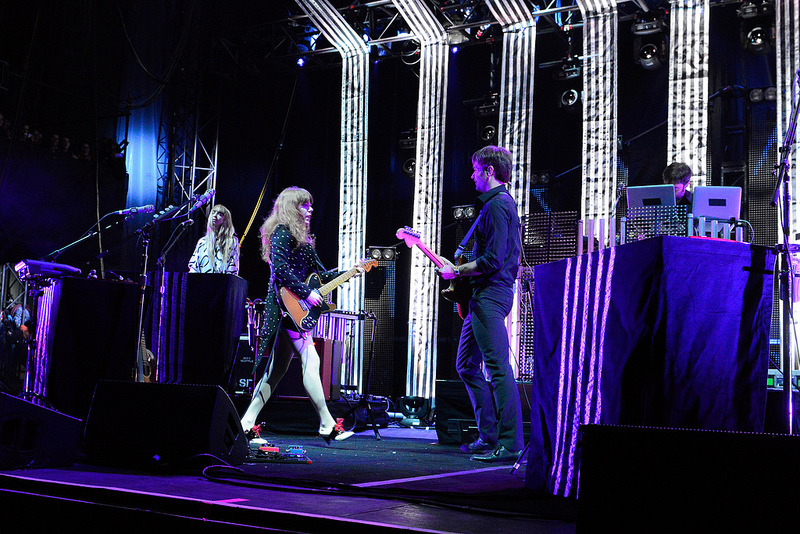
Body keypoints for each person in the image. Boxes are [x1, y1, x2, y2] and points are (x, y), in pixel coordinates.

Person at [240, 186, 355, 443]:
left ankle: (246, 423)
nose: (311, 209)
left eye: (310, 205)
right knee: (310, 360)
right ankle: (326, 422)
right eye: (305, 205)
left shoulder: (303, 239)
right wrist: (306, 293)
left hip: (293, 309)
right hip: (285, 309)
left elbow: (321, 276)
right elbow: (280, 270)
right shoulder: (282, 231)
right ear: (292, 207)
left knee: (276, 371)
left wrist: (349, 272)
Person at [438, 145, 525, 463]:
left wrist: (457, 271)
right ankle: (489, 435)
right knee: (466, 365)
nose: (472, 176)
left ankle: (511, 443)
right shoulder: (494, 205)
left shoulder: (498, 205)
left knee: (498, 368)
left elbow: (493, 259)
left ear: (489, 171)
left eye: (476, 170)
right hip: (481, 296)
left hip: (491, 295)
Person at [188, 204, 240, 275]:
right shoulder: (202, 242)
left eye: (220, 214)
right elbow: (194, 266)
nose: (215, 215)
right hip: (202, 281)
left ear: (225, 220)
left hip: (222, 281)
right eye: (213, 212)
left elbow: (233, 268)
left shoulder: (231, 242)